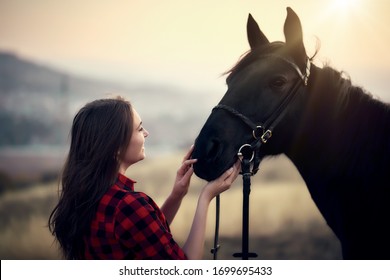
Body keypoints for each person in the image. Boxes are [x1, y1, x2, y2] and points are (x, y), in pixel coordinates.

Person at [48, 96, 240, 259]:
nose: (146, 133)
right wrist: (205, 198)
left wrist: (177, 195)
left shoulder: (88, 196)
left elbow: (141, 234)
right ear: (115, 148)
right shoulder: (128, 206)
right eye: (140, 129)